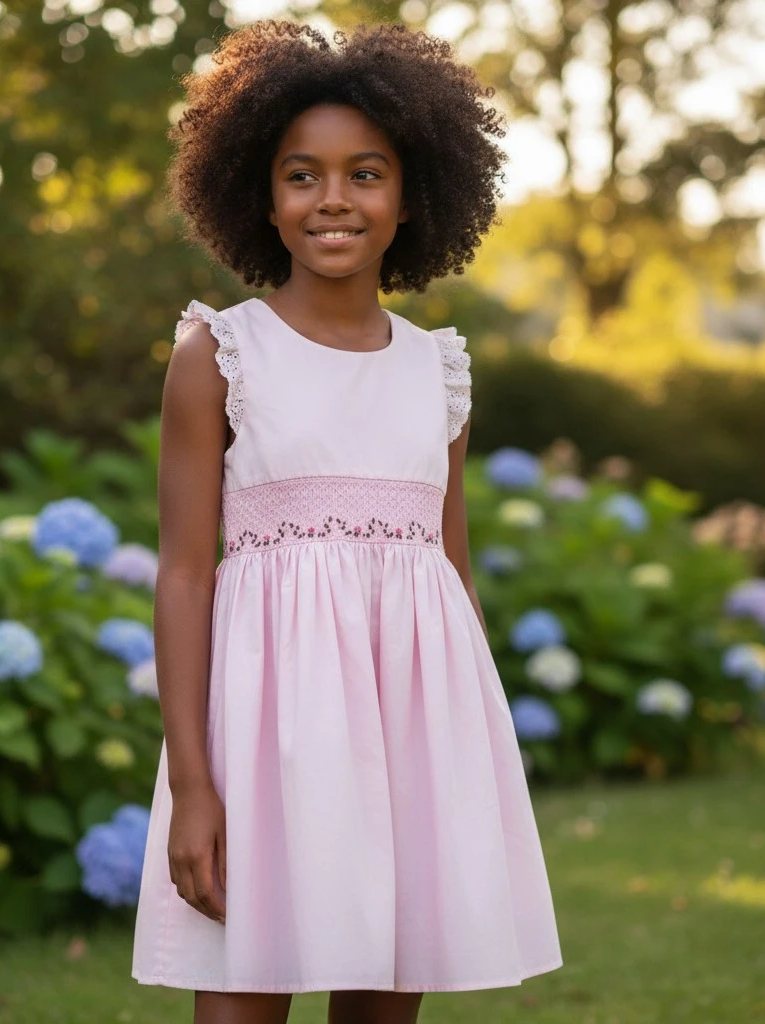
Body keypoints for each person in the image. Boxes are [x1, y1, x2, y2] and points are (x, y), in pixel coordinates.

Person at [131, 18, 562, 1024]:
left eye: (365, 173)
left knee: (382, 998)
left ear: (413, 195)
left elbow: (447, 577)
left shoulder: (438, 371)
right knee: (242, 994)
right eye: (301, 175)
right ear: (261, 197)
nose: (333, 199)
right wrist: (194, 783)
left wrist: (460, 767)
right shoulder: (218, 355)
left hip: (409, 736)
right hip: (265, 745)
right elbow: (186, 574)